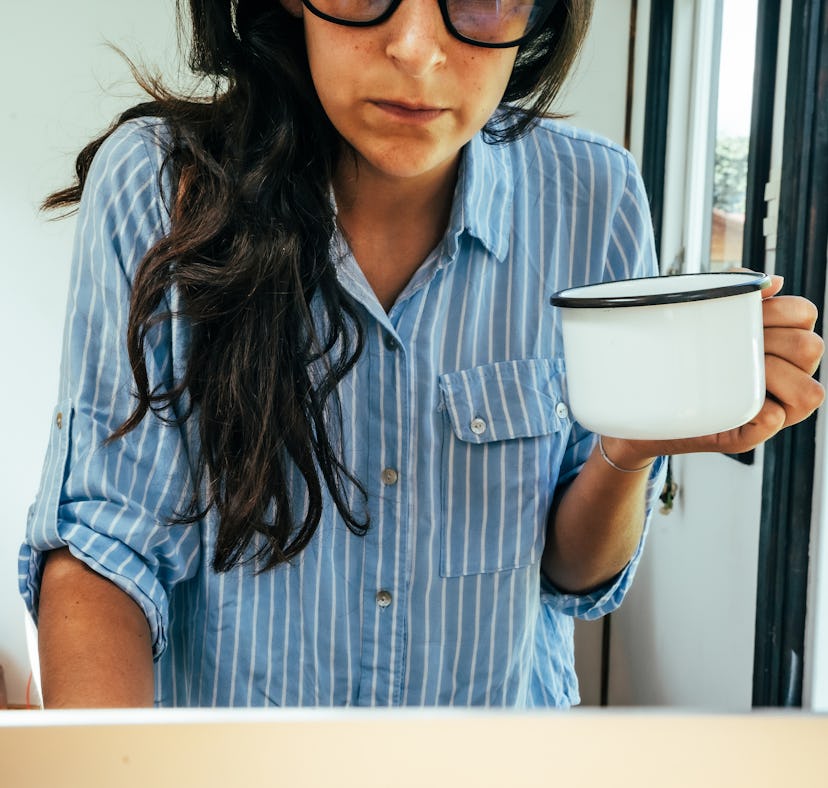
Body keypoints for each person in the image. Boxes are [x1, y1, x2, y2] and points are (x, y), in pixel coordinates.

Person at [20, 0, 823, 709]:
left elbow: (571, 575)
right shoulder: (160, 188)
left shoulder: (595, 199)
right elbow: (103, 558)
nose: (414, 47)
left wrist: (635, 447)